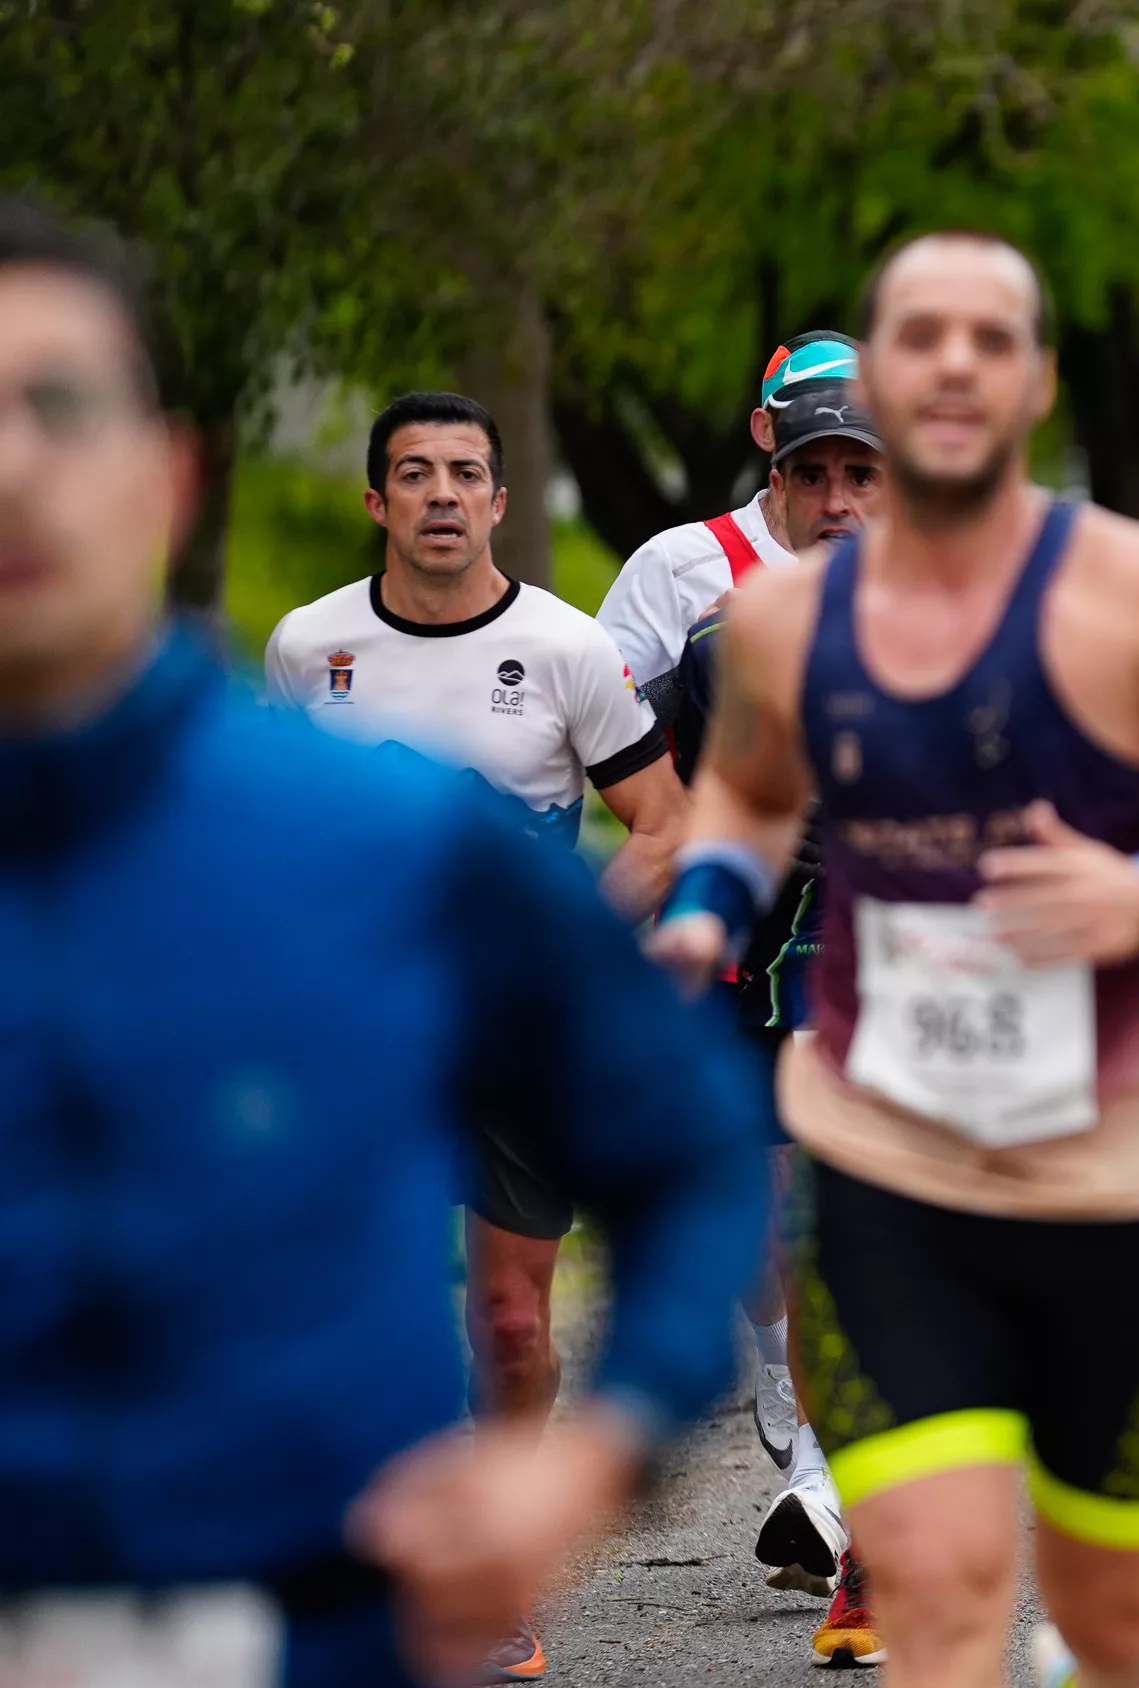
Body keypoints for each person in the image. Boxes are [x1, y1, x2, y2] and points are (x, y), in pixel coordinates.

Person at [0, 193, 770, 1688]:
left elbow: (693, 1156)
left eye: (61, 410)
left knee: (508, 1304)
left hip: (318, 1635)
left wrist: (583, 1468)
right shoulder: (315, 653)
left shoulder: (397, 842)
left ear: (165, 473)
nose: (14, 469)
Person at [647, 230, 1139, 1688]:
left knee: (1108, 1612)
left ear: (1034, 384)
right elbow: (756, 792)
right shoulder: (781, 620)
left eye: (992, 337)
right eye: (920, 336)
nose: (955, 361)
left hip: (1117, 1169)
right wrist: (708, 901)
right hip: (886, 1157)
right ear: (872, 389)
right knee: (939, 1583)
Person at [261, 388, 692, 1679]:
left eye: (464, 474)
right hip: (366, 1029)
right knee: (359, 1296)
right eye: (414, 474)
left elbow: (665, 828)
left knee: (511, 1326)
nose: (440, 495)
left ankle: (498, 1556)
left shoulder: (569, 651)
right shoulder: (305, 648)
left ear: (502, 502)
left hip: (515, 1037)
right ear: (378, 500)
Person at [657, 363, 888, 1651]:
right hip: (762, 964)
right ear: (780, 490)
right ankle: (831, 1468)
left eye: (865, 475)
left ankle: (852, 1513)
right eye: (816, 476)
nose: (840, 500)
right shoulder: (714, 652)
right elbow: (694, 812)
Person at [598, 330, 866, 711]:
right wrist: (692, 669)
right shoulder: (675, 565)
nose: (831, 425)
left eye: (853, 416)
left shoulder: (914, 583)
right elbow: (594, 725)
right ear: (764, 429)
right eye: (808, 416)